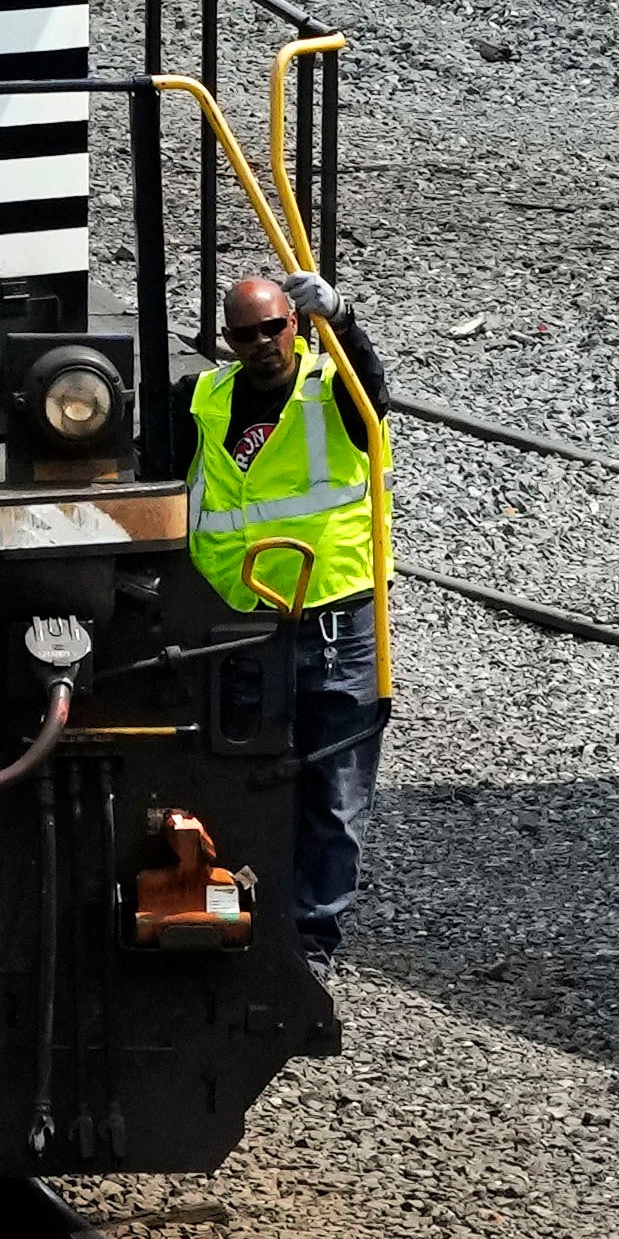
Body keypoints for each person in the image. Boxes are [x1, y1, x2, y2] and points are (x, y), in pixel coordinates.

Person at [185, 255, 396, 954]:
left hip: (334, 615)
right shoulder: (210, 400)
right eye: (245, 335)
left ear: (295, 326)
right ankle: (245, 917)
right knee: (246, 782)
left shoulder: (330, 389)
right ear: (228, 341)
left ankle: (311, 941)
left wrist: (345, 320)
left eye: (275, 327)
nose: (263, 344)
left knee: (334, 792)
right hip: (243, 623)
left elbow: (374, 399)